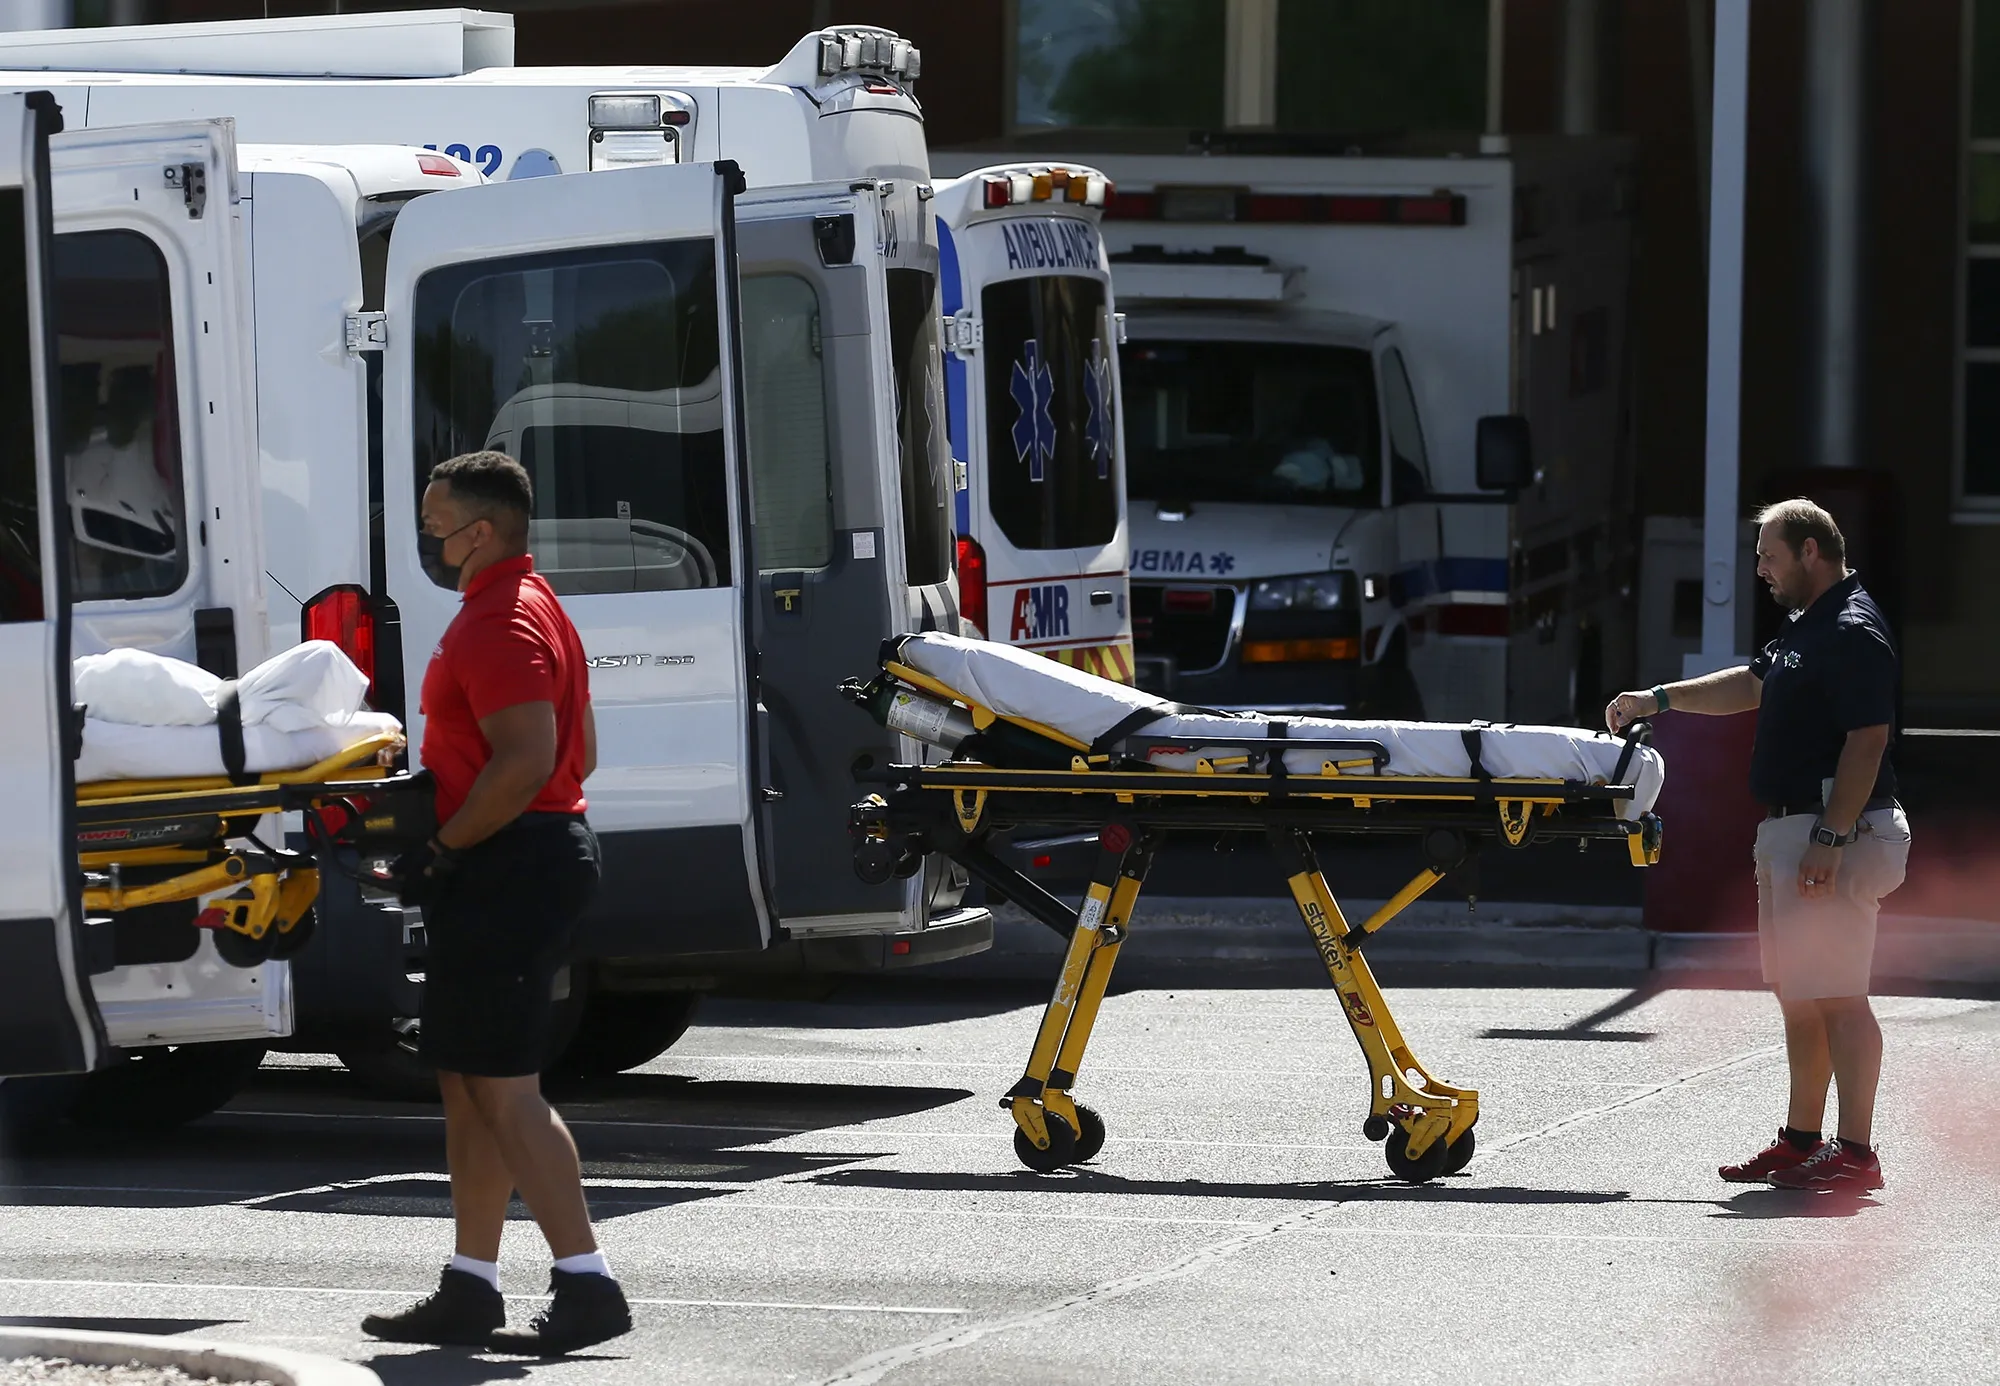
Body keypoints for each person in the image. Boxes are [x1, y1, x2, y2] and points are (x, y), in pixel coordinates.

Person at [361, 451, 631, 1352]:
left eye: (436, 526)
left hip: (512, 865)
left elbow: (529, 762)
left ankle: (588, 1287)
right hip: (517, 856)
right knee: (468, 1083)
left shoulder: (500, 625)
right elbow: (579, 752)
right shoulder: (532, 605)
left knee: (508, 1091)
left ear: (482, 531)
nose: (430, 540)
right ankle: (471, 1286)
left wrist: (445, 845)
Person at [1607, 498, 1910, 1193]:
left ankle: (1857, 1153)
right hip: (1793, 830)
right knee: (1801, 996)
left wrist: (1831, 836)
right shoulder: (1808, 624)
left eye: (1770, 556)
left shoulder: (1855, 628)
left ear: (1811, 552)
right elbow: (1751, 684)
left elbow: (1869, 741)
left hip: (1833, 831)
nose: (1760, 571)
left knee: (1839, 996)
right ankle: (1802, 1142)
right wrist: (1658, 698)